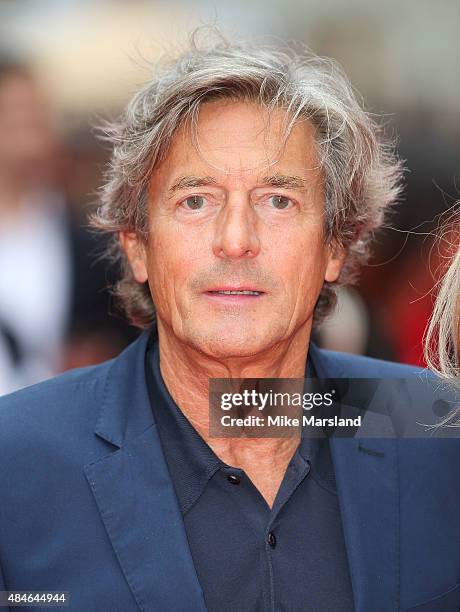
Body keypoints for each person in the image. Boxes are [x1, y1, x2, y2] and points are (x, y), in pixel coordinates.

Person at [1, 34, 460, 612]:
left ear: (335, 247)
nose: (236, 240)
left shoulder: (433, 426)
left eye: (277, 201)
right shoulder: (16, 459)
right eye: (196, 200)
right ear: (137, 246)